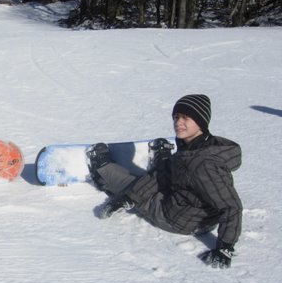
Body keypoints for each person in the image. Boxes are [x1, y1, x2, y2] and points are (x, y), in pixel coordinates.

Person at [87, 94, 243, 269]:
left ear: (201, 122)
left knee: (133, 184)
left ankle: (103, 172)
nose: (178, 122)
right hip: (196, 212)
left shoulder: (203, 165)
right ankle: (162, 160)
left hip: (176, 219)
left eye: (186, 117)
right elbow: (172, 172)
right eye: (176, 117)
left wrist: (224, 248)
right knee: (164, 170)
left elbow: (231, 206)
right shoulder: (203, 146)